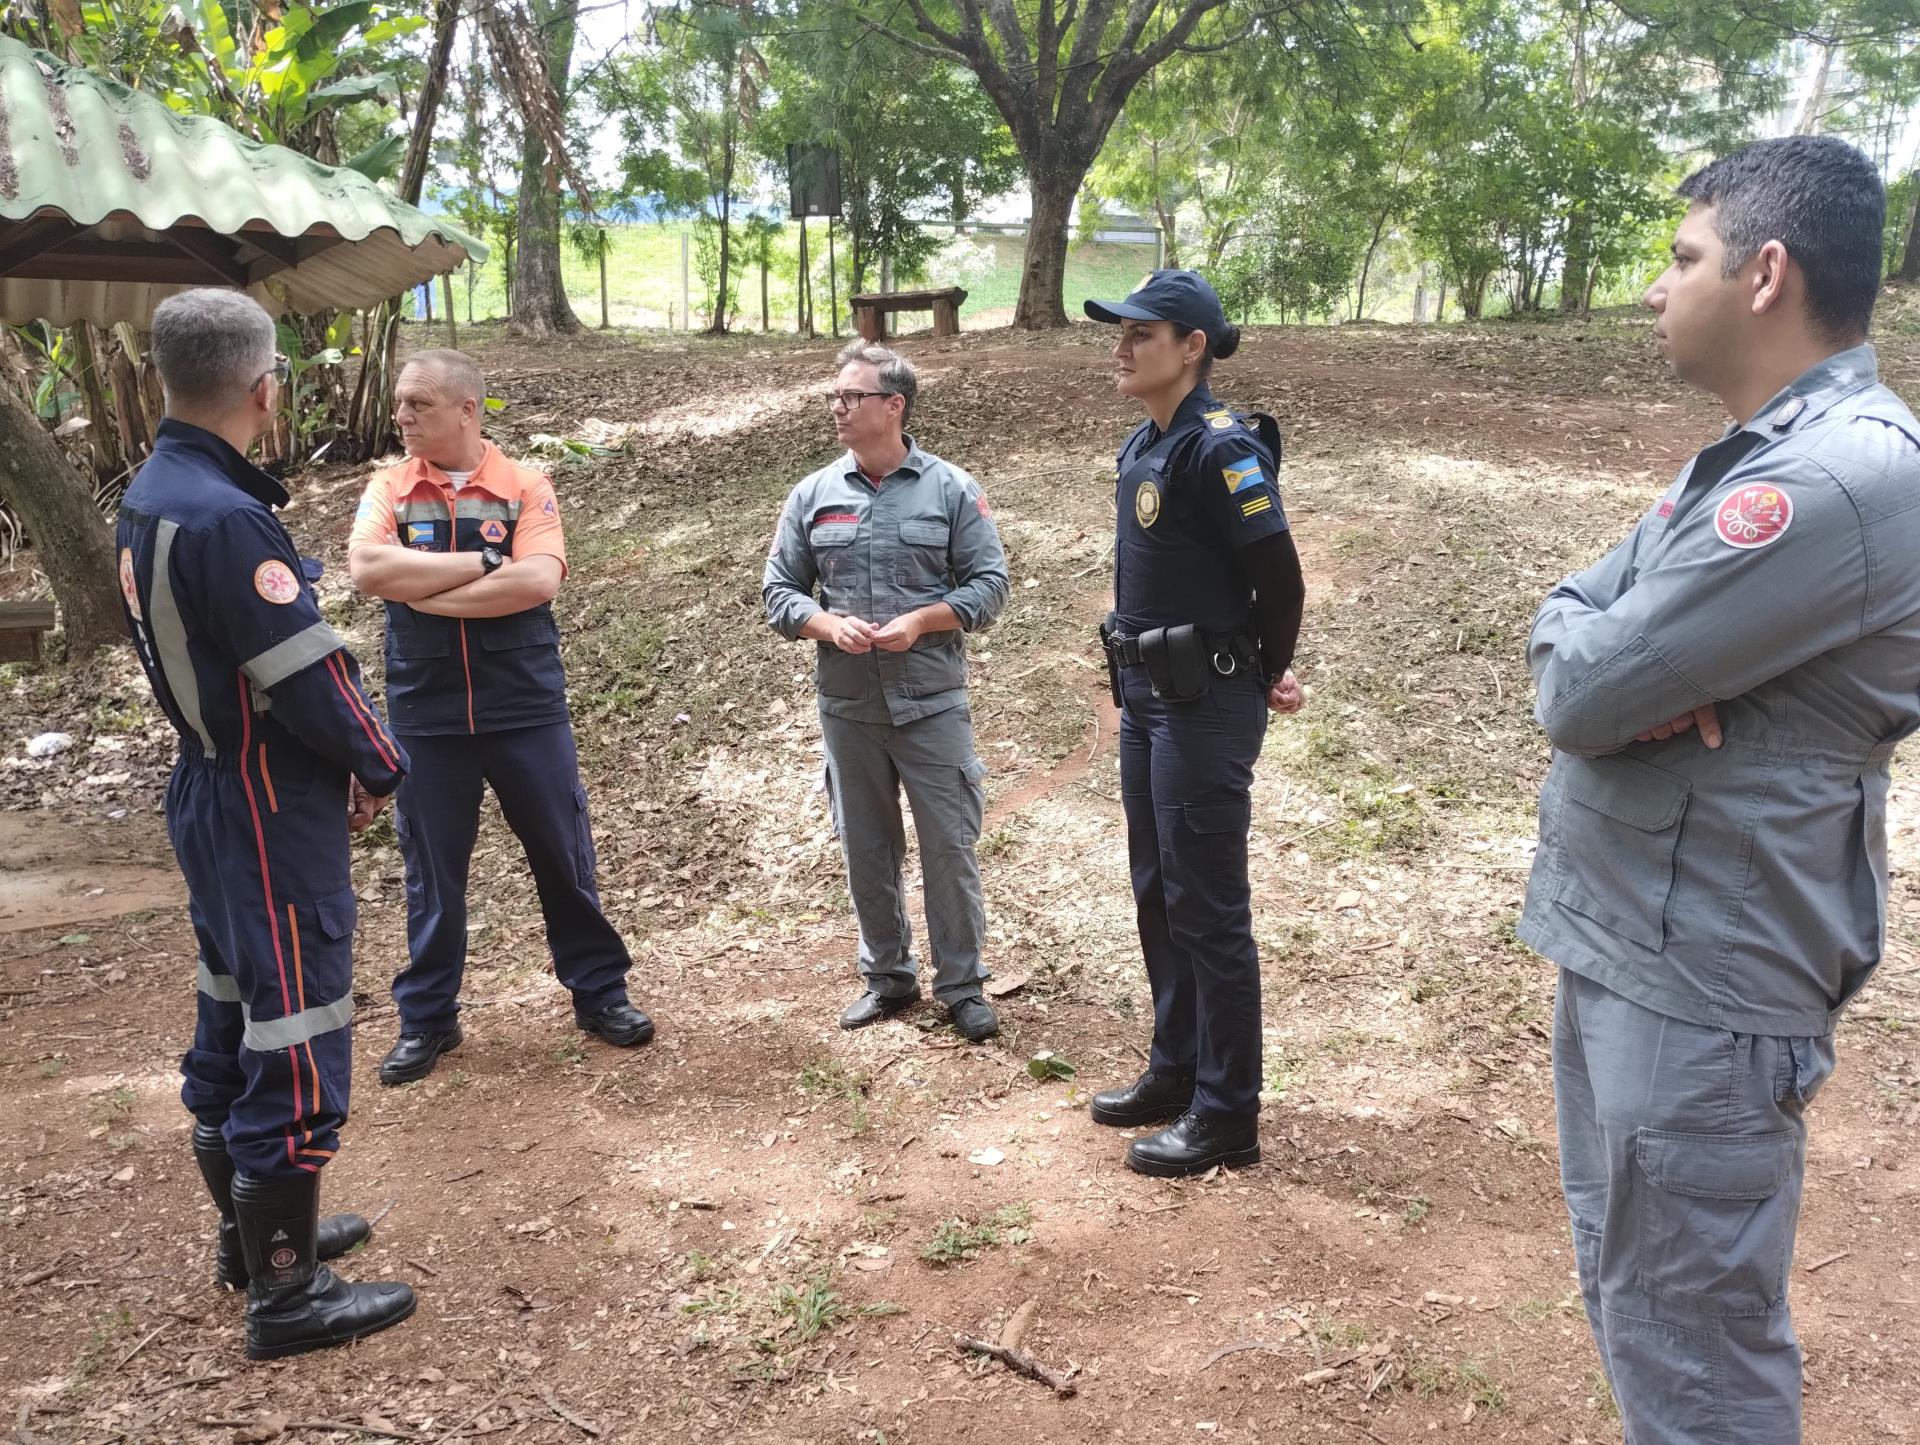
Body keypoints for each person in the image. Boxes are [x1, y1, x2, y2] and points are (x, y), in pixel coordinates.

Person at [1522, 136, 1919, 1445]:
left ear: (1764, 273)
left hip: (1703, 978)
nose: (1655, 286)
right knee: (1646, 1310)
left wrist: (1620, 646)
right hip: (1647, 948)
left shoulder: (1827, 480)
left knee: (1694, 1360)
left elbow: (1577, 694)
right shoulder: (1757, 458)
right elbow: (1575, 618)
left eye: (1680, 257)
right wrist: (1629, 640)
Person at [117, 289, 415, 1358]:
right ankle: (285, 1295)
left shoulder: (154, 490)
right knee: (292, 1032)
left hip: (205, 789)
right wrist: (380, 762)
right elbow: (305, 671)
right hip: (260, 804)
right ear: (262, 386)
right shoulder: (227, 516)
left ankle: (252, 1242)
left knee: (234, 1010)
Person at [347, 350, 652, 1084]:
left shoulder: (524, 484)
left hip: (524, 706)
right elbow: (366, 570)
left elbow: (539, 578)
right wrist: (486, 566)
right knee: (431, 872)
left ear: (467, 408)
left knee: (562, 854)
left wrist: (428, 589)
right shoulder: (388, 486)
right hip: (427, 712)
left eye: (419, 402)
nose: (403, 415)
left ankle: (600, 993)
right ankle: (429, 1019)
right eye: (401, 403)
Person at [1081, 271, 1306, 1178]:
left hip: (1204, 705)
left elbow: (1280, 580)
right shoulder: (1148, 443)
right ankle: (1176, 1067)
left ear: (1193, 347)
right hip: (1146, 700)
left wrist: (1265, 671)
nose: (1122, 346)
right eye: (1120, 331)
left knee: (1209, 907)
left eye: (1143, 332)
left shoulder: (1221, 449)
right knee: (1158, 890)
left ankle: (1227, 1112)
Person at [763, 342, 1010, 1041]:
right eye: (833, 397)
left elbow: (990, 586)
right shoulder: (813, 495)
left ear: (893, 405)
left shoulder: (953, 490)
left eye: (851, 396)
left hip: (931, 701)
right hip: (848, 707)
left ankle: (962, 986)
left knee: (948, 847)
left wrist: (923, 620)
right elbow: (778, 589)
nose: (837, 407)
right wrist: (823, 622)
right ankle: (889, 978)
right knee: (866, 847)